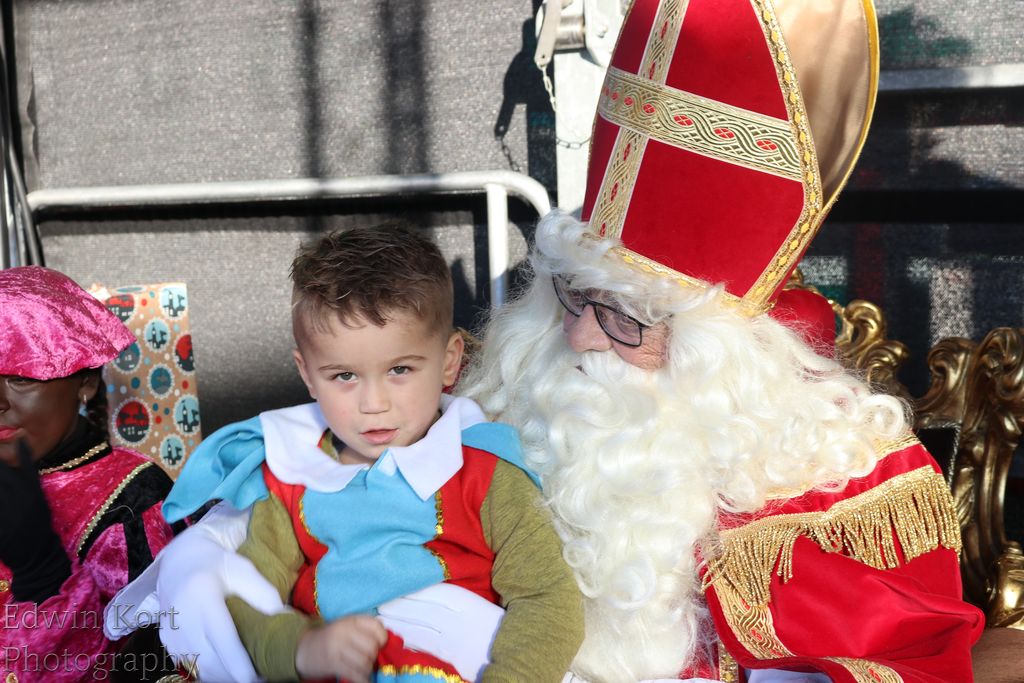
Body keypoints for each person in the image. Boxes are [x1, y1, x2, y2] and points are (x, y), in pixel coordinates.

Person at [107, 0, 985, 681]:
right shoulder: (497, 398)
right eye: (572, 292)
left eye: (626, 317)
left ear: (722, 351)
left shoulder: (841, 473)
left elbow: (906, 657)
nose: (578, 335)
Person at [146, 225, 584, 683]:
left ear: (449, 361)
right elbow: (244, 600)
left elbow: (548, 600)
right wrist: (302, 648)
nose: (374, 404)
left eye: (400, 369)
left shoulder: (485, 472)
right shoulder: (293, 473)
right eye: (344, 376)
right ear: (307, 374)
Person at [0, 266, 179, 682]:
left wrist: (44, 574)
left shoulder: (135, 501)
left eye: (22, 378)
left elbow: (141, 665)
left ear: (85, 383)